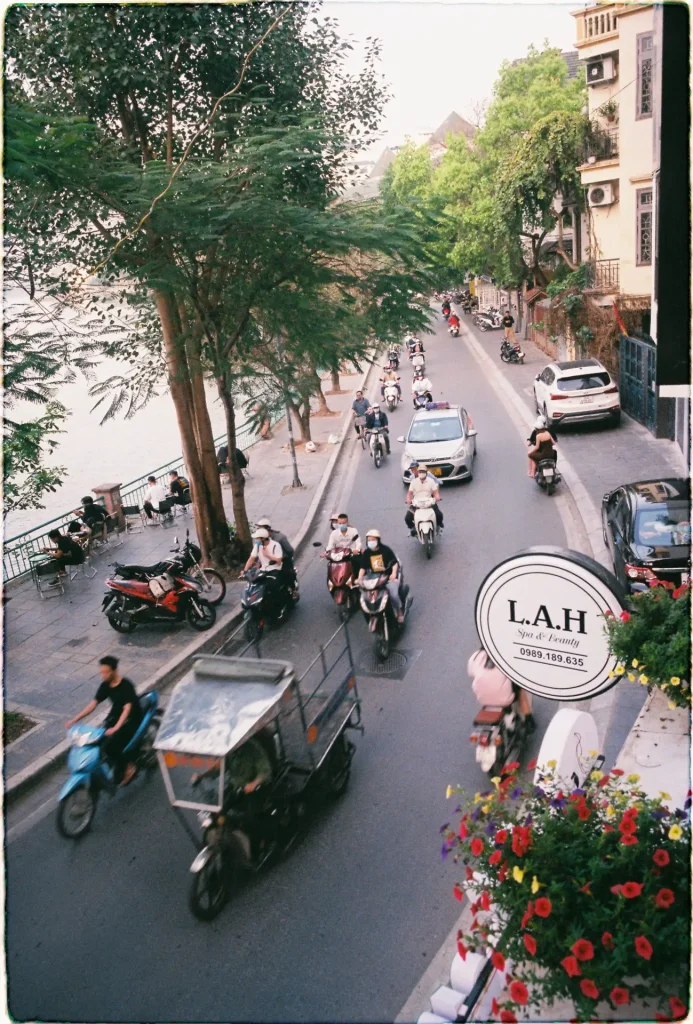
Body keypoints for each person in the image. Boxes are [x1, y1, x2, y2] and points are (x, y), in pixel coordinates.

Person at [65, 656, 143, 786]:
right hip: (115, 717)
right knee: (98, 741)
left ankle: (129, 767)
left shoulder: (126, 685)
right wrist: (74, 720)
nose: (103, 675)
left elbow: (127, 709)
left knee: (112, 747)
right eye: (101, 672)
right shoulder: (106, 685)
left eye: (105, 672)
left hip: (131, 719)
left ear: (114, 671)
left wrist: (117, 727)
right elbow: (93, 704)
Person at [467, 647, 535, 732]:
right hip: (505, 699)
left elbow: (471, 674)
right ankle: (528, 719)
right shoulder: (508, 655)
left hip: (482, 698)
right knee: (520, 688)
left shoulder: (475, 656)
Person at [356, 528, 406, 623]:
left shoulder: (386, 550)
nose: (371, 542)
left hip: (387, 577)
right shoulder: (366, 553)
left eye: (373, 540)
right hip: (373, 580)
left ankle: (399, 612)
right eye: (369, 540)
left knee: (393, 594)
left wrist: (393, 574)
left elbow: (394, 563)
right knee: (365, 598)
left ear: (378, 540)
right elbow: (362, 568)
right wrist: (359, 579)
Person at [256, 517, 298, 596]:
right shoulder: (261, 539)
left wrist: (281, 558)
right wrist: (258, 563)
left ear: (267, 529)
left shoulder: (280, 538)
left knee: (287, 573)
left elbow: (290, 551)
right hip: (268, 563)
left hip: (283, 560)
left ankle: (293, 590)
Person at [405, 464, 443, 534]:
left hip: (429, 502)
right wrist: (408, 499)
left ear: (426, 472)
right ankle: (413, 528)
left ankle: (438, 524)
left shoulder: (431, 481)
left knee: (439, 515)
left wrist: (437, 497)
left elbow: (435, 492)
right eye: (420, 472)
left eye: (423, 472)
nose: (421, 473)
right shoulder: (413, 481)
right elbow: (410, 493)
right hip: (417, 503)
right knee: (407, 518)